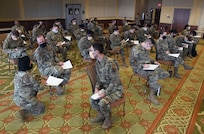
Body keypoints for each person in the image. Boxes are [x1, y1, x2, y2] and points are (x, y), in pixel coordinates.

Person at [89, 42, 124, 129]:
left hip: (115, 90)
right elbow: (99, 79)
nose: (90, 52)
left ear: (96, 52)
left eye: (91, 50)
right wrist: (97, 88)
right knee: (92, 99)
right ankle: (102, 114)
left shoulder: (110, 63)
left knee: (102, 102)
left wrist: (105, 92)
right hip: (105, 88)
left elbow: (115, 81)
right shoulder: (97, 63)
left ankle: (108, 117)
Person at [129, 38, 170, 105]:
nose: (150, 48)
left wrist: (154, 61)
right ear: (147, 43)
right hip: (138, 68)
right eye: (150, 46)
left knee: (165, 73)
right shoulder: (135, 49)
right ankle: (151, 95)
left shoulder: (146, 48)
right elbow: (132, 62)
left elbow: (148, 58)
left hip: (148, 66)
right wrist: (142, 65)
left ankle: (152, 83)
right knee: (154, 74)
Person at [13, 56, 45, 122]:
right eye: (30, 62)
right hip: (25, 98)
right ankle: (25, 110)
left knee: (32, 87)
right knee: (41, 109)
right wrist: (45, 83)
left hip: (17, 98)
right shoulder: (28, 76)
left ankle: (29, 104)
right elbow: (38, 87)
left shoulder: (17, 73)